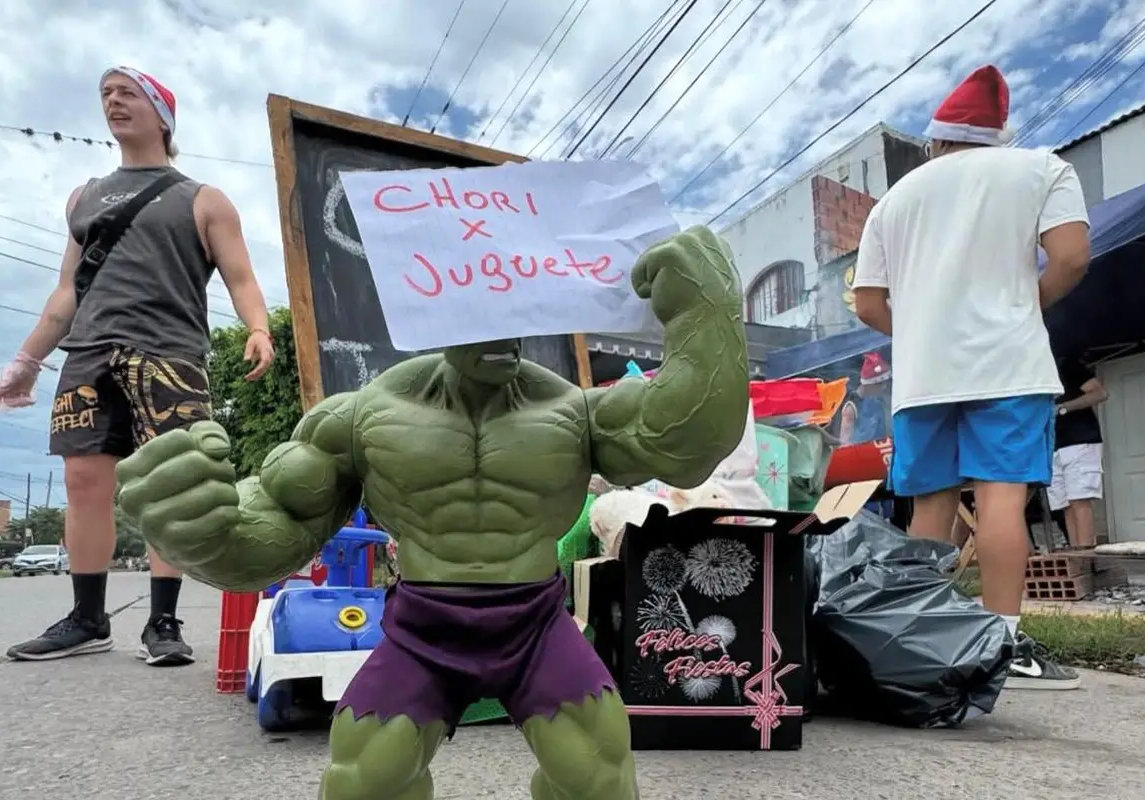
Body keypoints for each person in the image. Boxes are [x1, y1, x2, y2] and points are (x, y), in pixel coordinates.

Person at [114, 226, 748, 799]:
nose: (503, 330)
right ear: (435, 312)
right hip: (425, 628)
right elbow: (278, 523)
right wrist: (204, 528)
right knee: (365, 782)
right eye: (479, 310)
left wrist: (709, 316)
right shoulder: (366, 414)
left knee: (599, 778)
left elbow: (684, 444)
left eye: (516, 308)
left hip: (534, 624)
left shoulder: (574, 411)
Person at [0, 66, 275, 665]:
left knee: (172, 485)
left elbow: (241, 275)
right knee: (83, 482)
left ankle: (164, 622)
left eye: (128, 93)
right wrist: (26, 359)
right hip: (88, 352)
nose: (113, 103)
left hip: (169, 353)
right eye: (106, 95)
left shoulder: (203, 198)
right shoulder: (85, 196)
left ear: (161, 114)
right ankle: (88, 618)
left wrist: (258, 328)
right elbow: (67, 289)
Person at [851, 65, 1091, 691]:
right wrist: (1021, 307)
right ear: (996, 135)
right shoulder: (1041, 168)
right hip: (1008, 365)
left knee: (929, 506)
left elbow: (868, 304)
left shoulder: (895, 200)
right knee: (1001, 500)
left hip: (924, 377)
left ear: (936, 140)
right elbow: (1069, 256)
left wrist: (928, 330)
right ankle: (1003, 643)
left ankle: (916, 643)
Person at [1048, 355, 1108, 548]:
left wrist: (1062, 408)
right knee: (1064, 505)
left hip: (1080, 439)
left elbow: (1099, 393)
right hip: (1052, 445)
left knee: (1079, 500)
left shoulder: (1066, 363)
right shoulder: (1031, 372)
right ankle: (1077, 559)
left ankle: (1087, 558)